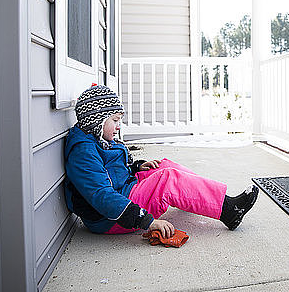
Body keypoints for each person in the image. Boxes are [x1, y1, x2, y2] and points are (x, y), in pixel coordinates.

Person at [64, 85, 258, 238]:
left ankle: (210, 199)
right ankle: (229, 211)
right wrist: (146, 221)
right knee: (167, 179)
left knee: (164, 165)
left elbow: (111, 169)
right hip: (109, 218)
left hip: (123, 191)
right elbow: (101, 195)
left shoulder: (96, 139)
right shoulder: (83, 152)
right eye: (114, 120)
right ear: (97, 120)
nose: (118, 126)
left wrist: (136, 166)